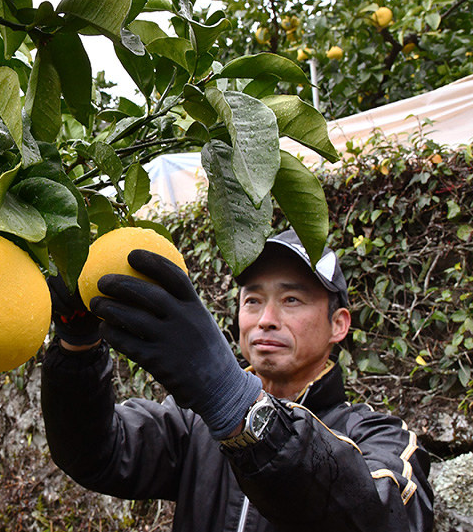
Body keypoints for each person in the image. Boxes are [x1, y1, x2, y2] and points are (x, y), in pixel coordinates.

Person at [41, 228, 433, 532]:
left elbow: (380, 515)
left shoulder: (383, 438)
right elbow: (97, 453)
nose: (266, 319)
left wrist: (238, 408)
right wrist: (79, 348)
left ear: (338, 324)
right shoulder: (193, 424)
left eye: (291, 300)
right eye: (252, 300)